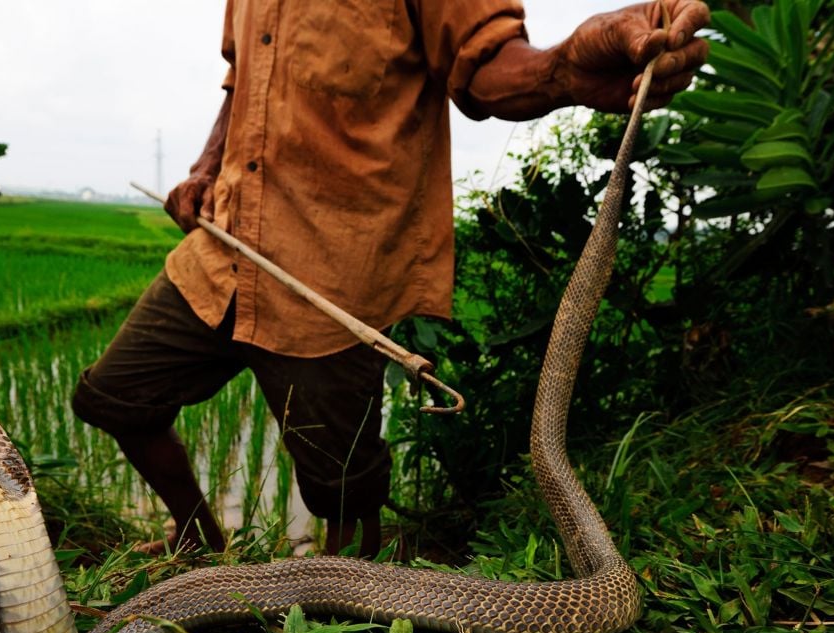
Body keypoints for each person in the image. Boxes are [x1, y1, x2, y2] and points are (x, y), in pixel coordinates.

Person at [73, 0, 710, 557]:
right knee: (112, 398)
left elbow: (486, 67)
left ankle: (347, 613)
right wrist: (206, 166)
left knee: (342, 493)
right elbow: (243, 83)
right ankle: (195, 538)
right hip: (223, 251)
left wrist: (565, 67)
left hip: (333, 276)